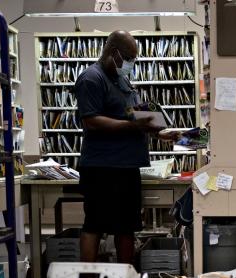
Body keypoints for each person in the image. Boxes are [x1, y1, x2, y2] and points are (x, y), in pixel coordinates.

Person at [74, 30, 178, 264]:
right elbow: (91, 120)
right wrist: (134, 125)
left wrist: (158, 130)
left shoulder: (121, 79)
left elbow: (130, 114)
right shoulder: (91, 78)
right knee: (95, 225)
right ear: (114, 53)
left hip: (126, 167)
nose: (131, 63)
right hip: (102, 167)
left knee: (127, 226)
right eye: (129, 58)